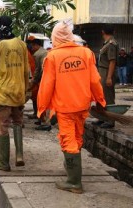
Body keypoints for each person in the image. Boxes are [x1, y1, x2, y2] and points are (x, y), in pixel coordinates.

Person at [37, 21, 106, 194]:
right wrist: (100, 100)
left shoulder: (52, 57)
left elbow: (46, 85)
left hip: (65, 107)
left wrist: (41, 108)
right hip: (82, 106)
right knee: (77, 137)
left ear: (55, 38)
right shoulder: (86, 53)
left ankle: (74, 182)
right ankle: (71, 168)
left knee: (68, 140)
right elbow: (95, 80)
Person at [0, 16, 29, 171]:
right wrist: (24, 92)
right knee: (17, 123)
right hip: (18, 93)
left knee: (2, 127)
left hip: (3, 94)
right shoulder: (22, 45)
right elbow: (26, 71)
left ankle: (4, 162)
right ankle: (19, 155)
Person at [94, 24, 118, 129]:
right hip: (102, 72)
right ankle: (102, 118)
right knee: (101, 96)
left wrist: (109, 77)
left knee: (108, 97)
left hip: (107, 72)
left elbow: (112, 62)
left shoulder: (111, 44)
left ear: (103, 32)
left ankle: (110, 120)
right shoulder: (106, 43)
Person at [28, 37, 51, 131]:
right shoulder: (45, 52)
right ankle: (41, 119)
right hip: (48, 79)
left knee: (43, 101)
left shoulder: (38, 54)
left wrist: (34, 82)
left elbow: (38, 70)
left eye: (32, 46)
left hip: (44, 80)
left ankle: (46, 122)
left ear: (35, 45)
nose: (31, 48)